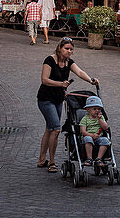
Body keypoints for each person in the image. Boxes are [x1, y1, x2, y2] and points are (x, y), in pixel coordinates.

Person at [36, 37, 98, 173]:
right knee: (56, 129)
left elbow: (80, 72)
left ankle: (41, 159)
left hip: (58, 99)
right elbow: (44, 80)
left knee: (49, 128)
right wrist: (61, 84)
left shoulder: (69, 62)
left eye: (71, 49)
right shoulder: (50, 60)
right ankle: (51, 162)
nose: (69, 51)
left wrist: (91, 80)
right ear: (60, 48)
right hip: (45, 99)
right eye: (66, 49)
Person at [79, 95, 111, 166]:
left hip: (99, 137)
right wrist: (92, 135)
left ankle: (99, 158)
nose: (97, 111)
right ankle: (89, 158)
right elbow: (83, 131)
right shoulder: (85, 119)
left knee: (105, 140)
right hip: (88, 136)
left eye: (99, 109)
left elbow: (106, 127)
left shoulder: (101, 117)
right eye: (94, 109)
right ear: (88, 110)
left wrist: (100, 119)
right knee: (88, 139)